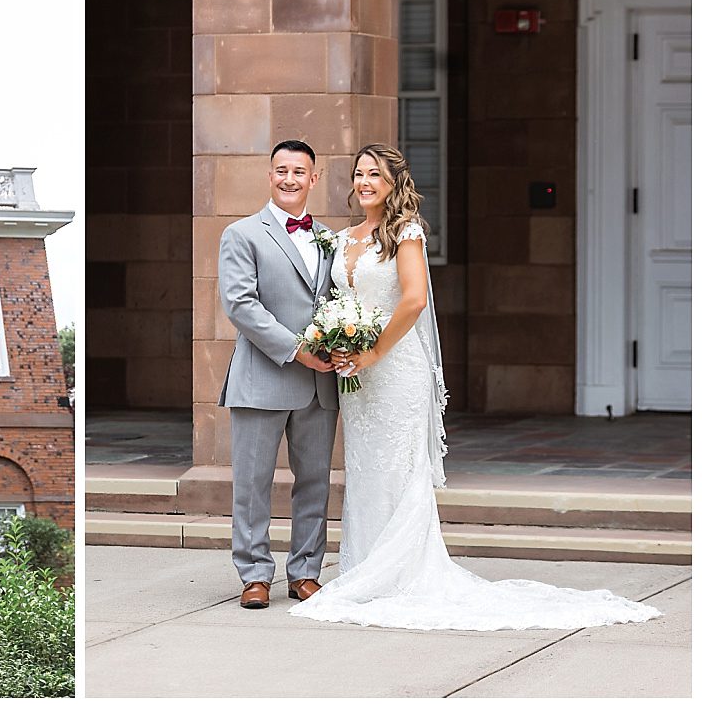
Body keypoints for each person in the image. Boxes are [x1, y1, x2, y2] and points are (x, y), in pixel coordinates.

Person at [288, 143, 659, 630]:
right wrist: (340, 343)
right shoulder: (343, 238)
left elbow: (415, 299)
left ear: (394, 181)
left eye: (375, 175)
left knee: (400, 471)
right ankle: (364, 568)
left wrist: (374, 351)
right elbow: (339, 302)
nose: (364, 183)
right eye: (358, 174)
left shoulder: (406, 232)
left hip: (397, 370)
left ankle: (400, 575)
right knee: (366, 471)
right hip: (358, 378)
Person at [216, 139, 339, 609]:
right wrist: (298, 350)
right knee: (252, 484)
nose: (290, 179)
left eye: (299, 171)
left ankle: (305, 571)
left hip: (318, 385)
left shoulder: (330, 238)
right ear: (270, 176)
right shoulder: (242, 233)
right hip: (262, 377)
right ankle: (254, 575)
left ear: (314, 177)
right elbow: (241, 305)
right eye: (281, 170)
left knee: (315, 481)